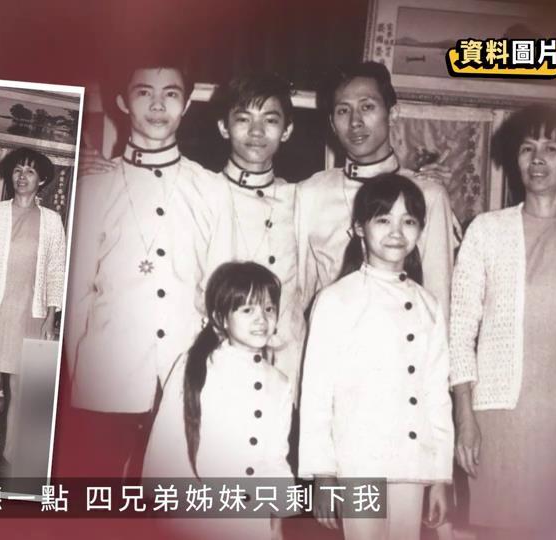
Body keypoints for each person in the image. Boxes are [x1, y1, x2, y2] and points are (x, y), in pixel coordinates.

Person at [64, 57, 234, 477]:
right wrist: (78, 376)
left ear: (187, 103)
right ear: (123, 101)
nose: (158, 105)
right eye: (144, 93)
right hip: (108, 370)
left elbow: (222, 293)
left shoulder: (212, 189)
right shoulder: (95, 186)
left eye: (171, 94)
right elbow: (76, 296)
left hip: (188, 370)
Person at [450, 105, 556, 536]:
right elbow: (460, 329)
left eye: (551, 148)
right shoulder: (486, 230)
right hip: (501, 418)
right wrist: (464, 417)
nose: (537, 159)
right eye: (527, 148)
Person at [299, 174, 453, 540]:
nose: (396, 232)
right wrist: (323, 473)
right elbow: (317, 393)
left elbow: (436, 395)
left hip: (412, 459)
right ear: (358, 228)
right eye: (383, 219)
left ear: (420, 230)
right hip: (358, 459)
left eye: (409, 221)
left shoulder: (428, 305)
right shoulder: (336, 299)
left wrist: (439, 477)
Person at [295, 61, 460, 319]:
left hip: (405, 339)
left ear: (392, 114)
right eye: (343, 111)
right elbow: (300, 295)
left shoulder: (429, 194)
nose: (355, 122)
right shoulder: (311, 193)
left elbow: (439, 300)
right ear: (332, 123)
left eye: (367, 107)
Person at [143, 261, 293, 538]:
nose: (261, 319)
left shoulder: (280, 383)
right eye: (248, 310)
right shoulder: (193, 366)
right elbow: (166, 445)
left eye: (269, 309)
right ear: (221, 318)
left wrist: (277, 523)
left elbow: (275, 457)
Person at [0, 147, 66, 467]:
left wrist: (51, 316)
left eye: (30, 171)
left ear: (42, 180)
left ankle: (11, 449)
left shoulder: (52, 221)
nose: (22, 176)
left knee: (21, 385)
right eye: (18, 170)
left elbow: (56, 271)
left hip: (32, 312)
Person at [210, 72, 305, 393]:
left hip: (286, 364)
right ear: (223, 127)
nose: (256, 131)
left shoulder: (300, 198)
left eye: (270, 120)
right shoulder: (203, 191)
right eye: (243, 119)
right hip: (220, 362)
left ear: (287, 130)